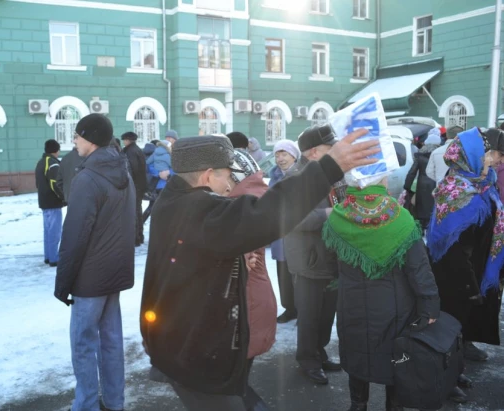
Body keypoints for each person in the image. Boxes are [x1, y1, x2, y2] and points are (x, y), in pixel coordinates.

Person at [140, 131, 380, 411]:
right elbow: (267, 213)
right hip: (195, 356)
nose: (230, 185)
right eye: (227, 176)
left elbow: (194, 252)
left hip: (180, 344)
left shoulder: (173, 199)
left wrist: (234, 259)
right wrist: (329, 167)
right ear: (207, 175)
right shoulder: (199, 209)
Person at [323, 175, 440, 411]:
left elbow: (329, 264)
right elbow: (419, 268)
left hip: (351, 303)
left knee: (357, 353)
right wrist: (429, 305)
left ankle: (358, 404)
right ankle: (394, 407)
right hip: (395, 306)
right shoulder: (400, 219)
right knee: (395, 357)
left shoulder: (338, 216)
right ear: (382, 183)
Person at [54, 114, 135, 411]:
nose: (73, 140)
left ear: (91, 139)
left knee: (84, 344)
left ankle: (85, 405)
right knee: (111, 341)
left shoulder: (87, 177)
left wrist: (63, 284)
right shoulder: (121, 170)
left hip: (90, 277)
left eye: (77, 135)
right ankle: (114, 403)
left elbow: (74, 236)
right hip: (114, 271)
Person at [427, 128, 504, 371]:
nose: (499, 160)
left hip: (477, 265)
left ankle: (459, 358)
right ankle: (447, 375)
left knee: (463, 322)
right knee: (451, 323)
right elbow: (451, 249)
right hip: (457, 274)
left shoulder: (484, 182)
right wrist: (469, 284)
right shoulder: (455, 191)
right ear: (475, 155)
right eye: (493, 155)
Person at [284, 125, 343, 385]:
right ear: (314, 151)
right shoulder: (296, 178)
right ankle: (307, 359)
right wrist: (327, 215)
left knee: (327, 311)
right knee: (309, 314)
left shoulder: (327, 173)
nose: (336, 151)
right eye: (331, 148)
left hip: (330, 254)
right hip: (308, 257)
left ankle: (319, 351)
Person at [225, 149, 277, 411]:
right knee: (240, 376)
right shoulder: (257, 196)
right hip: (259, 295)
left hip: (246, 300)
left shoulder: (239, 204)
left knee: (235, 383)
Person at [269, 139, 300, 323]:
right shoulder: (274, 177)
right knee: (283, 273)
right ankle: (289, 308)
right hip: (279, 233)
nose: (280, 158)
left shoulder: (301, 174)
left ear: (294, 156)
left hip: (298, 232)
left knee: (299, 274)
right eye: (277, 154)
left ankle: (303, 309)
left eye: (284, 154)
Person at [35, 139, 65, 267]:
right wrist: (63, 196)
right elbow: (55, 183)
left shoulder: (41, 162)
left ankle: (48, 256)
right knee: (55, 231)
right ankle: (54, 258)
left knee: (48, 231)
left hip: (44, 201)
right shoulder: (52, 163)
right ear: (57, 150)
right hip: (53, 202)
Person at [403, 127, 439, 230]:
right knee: (434, 210)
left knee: (421, 211)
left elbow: (412, 172)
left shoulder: (420, 155)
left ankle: (422, 230)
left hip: (422, 186)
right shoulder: (441, 154)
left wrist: (407, 186)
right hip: (436, 184)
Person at [121, 132, 148, 246]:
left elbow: (134, 170)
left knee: (134, 212)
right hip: (139, 185)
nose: (123, 142)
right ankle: (139, 236)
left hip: (135, 186)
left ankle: (136, 238)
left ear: (128, 140)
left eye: (124, 140)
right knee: (137, 210)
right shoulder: (137, 150)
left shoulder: (130, 152)